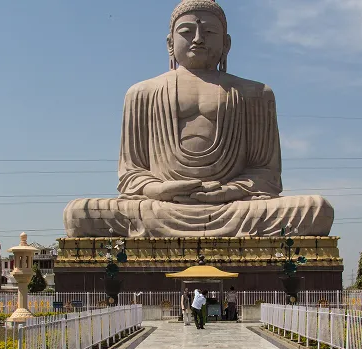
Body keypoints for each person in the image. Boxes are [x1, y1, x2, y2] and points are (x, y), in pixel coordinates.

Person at [62, 0, 334, 238]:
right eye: (187, 31)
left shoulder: (256, 94)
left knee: (316, 209)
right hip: (161, 206)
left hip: (233, 207)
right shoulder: (141, 93)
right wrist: (161, 190)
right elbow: (131, 175)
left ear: (226, 43)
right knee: (78, 214)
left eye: (210, 31)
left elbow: (267, 175)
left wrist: (226, 192)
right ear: (170, 43)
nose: (199, 38)